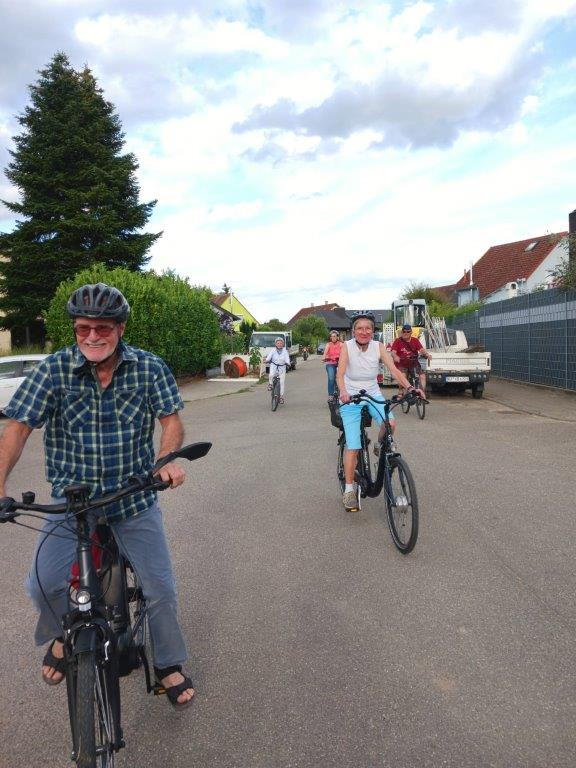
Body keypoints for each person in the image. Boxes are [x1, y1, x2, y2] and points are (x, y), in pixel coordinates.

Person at [0, 283, 195, 710]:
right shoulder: (53, 370)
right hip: (73, 503)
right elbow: (17, 429)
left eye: (102, 327)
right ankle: (62, 635)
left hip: (133, 498)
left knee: (160, 589)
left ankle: (168, 663)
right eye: (83, 328)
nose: (92, 336)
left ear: (120, 328)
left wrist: (165, 461)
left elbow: (171, 422)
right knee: (42, 585)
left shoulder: (149, 367)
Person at [337, 311, 424, 511]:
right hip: (350, 395)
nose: (364, 331)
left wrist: (410, 388)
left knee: (390, 424)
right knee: (354, 445)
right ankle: (349, 490)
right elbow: (340, 374)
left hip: (372, 392)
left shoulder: (378, 346)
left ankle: (379, 445)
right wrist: (343, 392)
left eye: (368, 328)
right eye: (360, 328)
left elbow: (394, 370)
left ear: (373, 330)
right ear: (353, 331)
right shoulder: (347, 346)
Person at [391, 323, 432, 394]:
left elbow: (421, 349)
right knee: (402, 377)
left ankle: (421, 393)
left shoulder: (415, 340)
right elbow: (393, 352)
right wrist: (395, 356)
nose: (406, 333)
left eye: (408, 332)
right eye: (404, 331)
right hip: (401, 364)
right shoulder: (397, 341)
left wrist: (427, 354)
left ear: (411, 332)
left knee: (422, 376)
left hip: (413, 363)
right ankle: (401, 391)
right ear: (402, 332)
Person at [265, 337, 291, 404]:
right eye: (278, 343)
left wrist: (288, 363)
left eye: (281, 343)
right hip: (274, 365)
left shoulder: (285, 351)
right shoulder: (273, 350)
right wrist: (267, 360)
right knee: (271, 375)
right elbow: (269, 356)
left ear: (283, 344)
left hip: (282, 367)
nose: (279, 344)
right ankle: (270, 384)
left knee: (282, 382)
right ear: (276, 344)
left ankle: (281, 397)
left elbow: (287, 358)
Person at [323, 330, 343, 401]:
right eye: (331, 336)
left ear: (337, 337)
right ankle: (330, 395)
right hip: (330, 363)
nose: (333, 338)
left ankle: (343, 392)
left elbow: (344, 353)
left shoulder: (341, 344)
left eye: (334, 336)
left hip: (339, 363)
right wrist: (324, 358)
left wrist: (342, 358)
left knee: (342, 378)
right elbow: (325, 353)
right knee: (331, 378)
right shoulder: (328, 344)